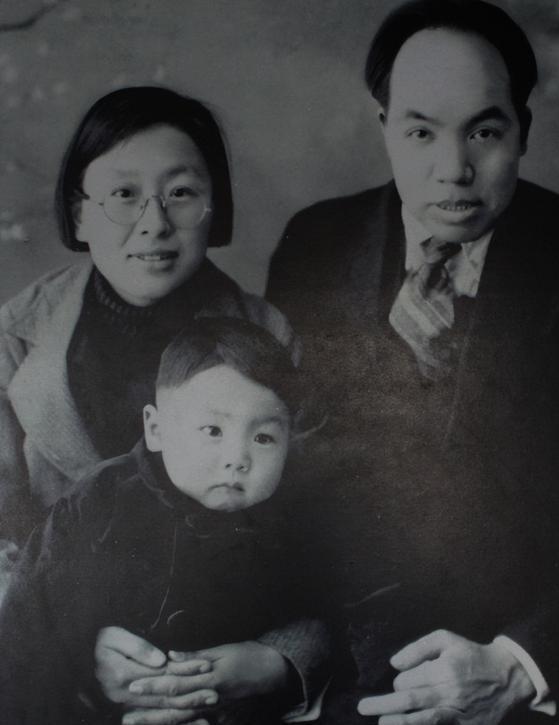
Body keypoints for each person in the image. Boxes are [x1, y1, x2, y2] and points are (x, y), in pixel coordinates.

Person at [267, 1, 559, 723]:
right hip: (341, 684)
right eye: (421, 132)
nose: (454, 170)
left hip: (527, 691)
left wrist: (520, 667)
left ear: (523, 130)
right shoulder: (313, 247)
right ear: (385, 129)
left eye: (484, 132)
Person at [0, 87, 326, 724]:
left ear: (214, 208)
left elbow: (321, 537)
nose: (154, 223)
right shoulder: (14, 337)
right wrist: (77, 649)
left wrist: (273, 662)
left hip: (223, 678)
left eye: (180, 192)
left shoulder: (272, 337)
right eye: (124, 195)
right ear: (79, 214)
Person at [0, 316, 331, 725]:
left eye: (263, 437)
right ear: (156, 429)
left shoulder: (296, 516)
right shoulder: (100, 501)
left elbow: (330, 609)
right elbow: (30, 628)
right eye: (213, 430)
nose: (237, 458)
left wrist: (278, 663)